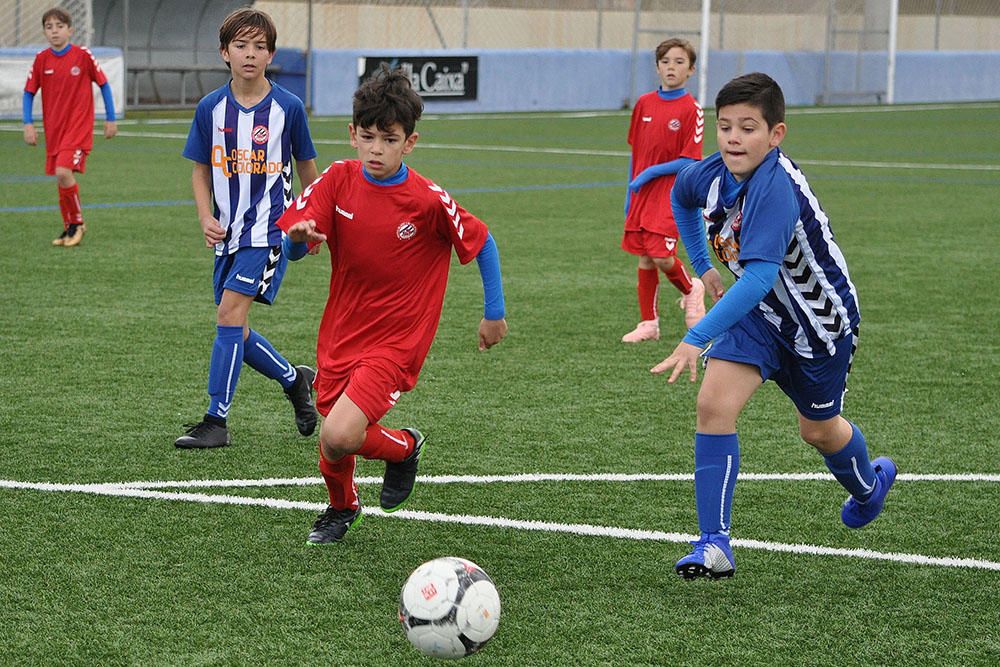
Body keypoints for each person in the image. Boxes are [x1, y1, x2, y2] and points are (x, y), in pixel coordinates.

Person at [652, 72, 896, 579]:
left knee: (819, 431)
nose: (734, 138)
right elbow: (680, 196)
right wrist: (703, 266)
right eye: (724, 127)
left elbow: (762, 276)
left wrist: (696, 336)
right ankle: (714, 544)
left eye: (748, 128)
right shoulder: (715, 173)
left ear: (776, 134)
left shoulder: (776, 189)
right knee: (713, 404)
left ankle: (869, 489)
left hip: (818, 327)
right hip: (761, 318)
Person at [277, 65, 508, 545]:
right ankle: (344, 507)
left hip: (397, 340)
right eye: (368, 137)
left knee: (339, 434)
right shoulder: (337, 180)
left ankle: (402, 449)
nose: (376, 149)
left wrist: (494, 311)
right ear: (352, 135)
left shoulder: (427, 200)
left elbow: (482, 241)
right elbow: (299, 239)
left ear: (410, 142)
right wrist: (298, 241)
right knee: (333, 440)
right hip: (342, 332)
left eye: (389, 139)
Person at [175, 7, 320, 449]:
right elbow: (200, 170)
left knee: (228, 315)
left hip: (269, 233)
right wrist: (206, 216)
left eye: (260, 46)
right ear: (225, 52)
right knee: (233, 328)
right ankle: (295, 381)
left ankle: (216, 421)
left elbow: (308, 168)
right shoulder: (211, 108)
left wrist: (314, 219)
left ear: (271, 54)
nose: (251, 54)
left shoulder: (288, 108)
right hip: (229, 234)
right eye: (241, 45)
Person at [621, 38, 705, 343]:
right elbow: (636, 151)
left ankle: (692, 288)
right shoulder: (643, 103)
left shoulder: (691, 109)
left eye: (680, 62)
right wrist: (630, 194)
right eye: (666, 61)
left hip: (670, 193)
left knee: (662, 256)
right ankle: (649, 323)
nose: (672, 67)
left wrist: (650, 173)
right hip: (641, 193)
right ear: (657, 67)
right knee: (644, 257)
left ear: (691, 70)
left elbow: (689, 160)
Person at [22, 7, 118, 248]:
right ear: (44, 32)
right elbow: (28, 92)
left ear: (70, 30)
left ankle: (76, 223)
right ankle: (68, 227)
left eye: (59, 26)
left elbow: (104, 85)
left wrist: (111, 118)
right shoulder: (41, 59)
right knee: (61, 177)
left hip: (78, 128)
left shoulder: (83, 56)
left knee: (63, 172)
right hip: (54, 130)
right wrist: (27, 124)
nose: (54, 31)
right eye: (49, 27)